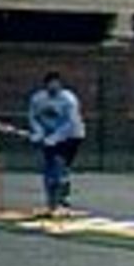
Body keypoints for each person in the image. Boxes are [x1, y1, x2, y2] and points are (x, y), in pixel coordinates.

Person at [27, 71, 86, 216]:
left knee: (61, 167)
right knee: (50, 168)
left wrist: (55, 138)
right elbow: (33, 117)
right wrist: (38, 132)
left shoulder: (69, 99)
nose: (53, 87)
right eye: (50, 84)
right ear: (45, 85)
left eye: (56, 84)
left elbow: (71, 123)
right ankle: (51, 203)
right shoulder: (37, 99)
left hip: (72, 136)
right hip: (49, 136)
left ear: (60, 85)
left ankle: (62, 201)